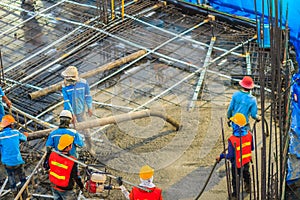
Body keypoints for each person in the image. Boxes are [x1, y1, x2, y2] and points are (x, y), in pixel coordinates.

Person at [216, 113, 254, 199]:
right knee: (246, 174)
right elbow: (251, 148)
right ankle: (248, 187)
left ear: (235, 126)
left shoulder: (232, 140)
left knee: (235, 180)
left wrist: (221, 156)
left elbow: (230, 155)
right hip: (246, 161)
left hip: (236, 164)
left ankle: (235, 195)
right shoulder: (249, 135)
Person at [48, 134, 84, 200]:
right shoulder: (72, 161)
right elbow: (75, 176)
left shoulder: (52, 154)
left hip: (54, 185)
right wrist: (81, 186)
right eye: (71, 144)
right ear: (68, 147)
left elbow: (46, 166)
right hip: (66, 189)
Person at [0, 115, 28, 195]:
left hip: (7, 163)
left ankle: (14, 189)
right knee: (21, 175)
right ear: (11, 125)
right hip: (18, 161)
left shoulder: (0, 136)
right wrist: (25, 135)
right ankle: (24, 188)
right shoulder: (16, 132)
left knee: (10, 176)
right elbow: (24, 138)